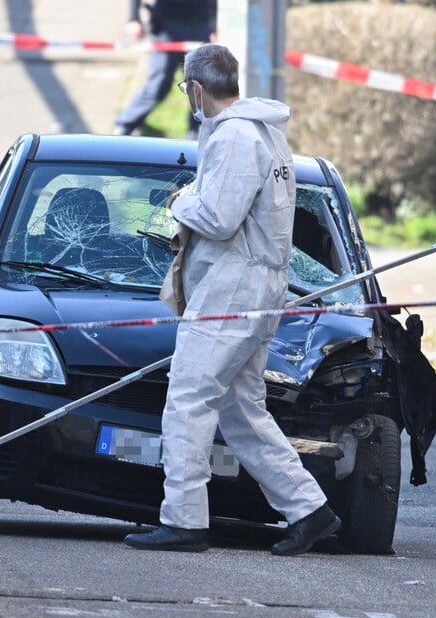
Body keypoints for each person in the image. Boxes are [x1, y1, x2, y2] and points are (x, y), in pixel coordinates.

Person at [124, 44, 341, 556]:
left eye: (185, 91)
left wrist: (182, 200)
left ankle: (184, 521)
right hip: (258, 288)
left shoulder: (236, 137)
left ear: (196, 89)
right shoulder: (267, 133)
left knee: (187, 401)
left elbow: (219, 218)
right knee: (243, 412)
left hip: (231, 290)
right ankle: (311, 509)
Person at [114, 0, 216, 139]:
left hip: (200, 25)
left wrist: (215, 24)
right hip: (167, 25)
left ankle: (196, 138)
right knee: (158, 85)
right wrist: (133, 18)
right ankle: (124, 126)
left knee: (202, 88)